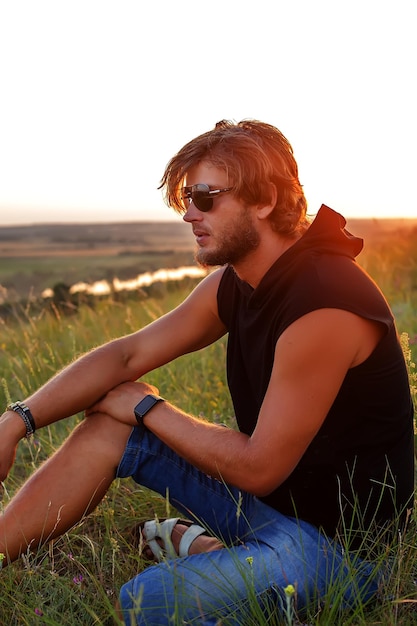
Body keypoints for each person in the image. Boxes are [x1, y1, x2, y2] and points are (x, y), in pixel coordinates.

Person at [0, 120, 414, 625]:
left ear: (264, 200)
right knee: (110, 428)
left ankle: (223, 561)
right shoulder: (240, 282)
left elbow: (259, 467)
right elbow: (128, 356)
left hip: (342, 549)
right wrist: (15, 422)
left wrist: (148, 407)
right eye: (185, 199)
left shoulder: (324, 306)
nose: (189, 214)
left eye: (204, 196)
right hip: (274, 505)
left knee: (145, 603)